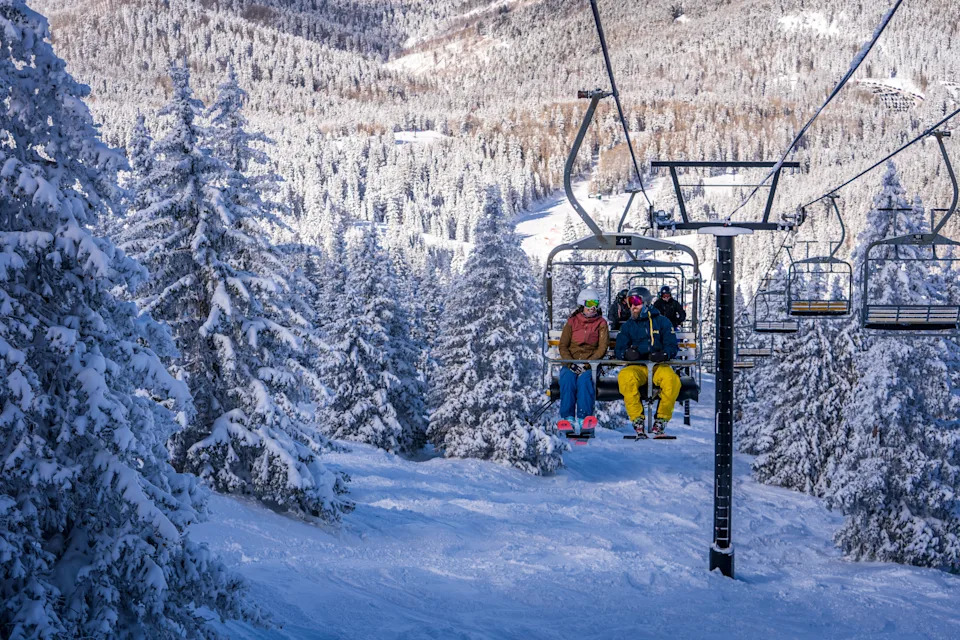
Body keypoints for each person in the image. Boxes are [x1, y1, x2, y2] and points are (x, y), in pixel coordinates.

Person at [614, 286, 680, 437]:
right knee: (625, 377)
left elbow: (672, 345)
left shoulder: (662, 322)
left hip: (658, 366)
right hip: (638, 367)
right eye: (630, 302)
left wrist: (663, 354)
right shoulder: (628, 326)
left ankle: (661, 420)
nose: (633, 306)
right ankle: (637, 419)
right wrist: (627, 354)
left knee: (671, 380)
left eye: (636, 301)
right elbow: (619, 349)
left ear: (646, 303)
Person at [557, 287, 609, 434]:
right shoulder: (572, 322)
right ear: (582, 304)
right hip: (572, 361)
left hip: (591, 363)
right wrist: (570, 363)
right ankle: (568, 418)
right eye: (590, 303)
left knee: (585, 380)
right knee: (567, 379)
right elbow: (563, 345)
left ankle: (584, 417)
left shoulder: (601, 323)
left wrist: (587, 364)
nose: (593, 308)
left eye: (596, 304)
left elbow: (602, 348)